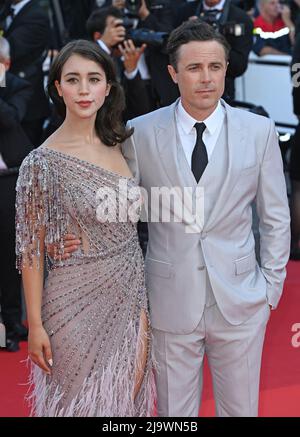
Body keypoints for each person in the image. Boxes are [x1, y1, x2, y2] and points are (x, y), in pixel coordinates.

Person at [58, 20, 290, 417]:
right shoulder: (141, 132)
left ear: (225, 69)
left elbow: (274, 217)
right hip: (168, 299)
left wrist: (270, 288)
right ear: (173, 73)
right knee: (173, 415)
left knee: (241, 411)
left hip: (240, 300)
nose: (206, 79)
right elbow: (119, 209)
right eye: (195, 68)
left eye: (215, 67)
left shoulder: (259, 131)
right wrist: (79, 235)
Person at [15, 39, 155, 417]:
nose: (83, 89)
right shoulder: (40, 162)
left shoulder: (122, 143)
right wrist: (35, 326)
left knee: (126, 404)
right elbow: (29, 249)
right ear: (58, 87)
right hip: (72, 300)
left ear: (107, 87)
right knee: (80, 404)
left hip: (130, 292)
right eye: (72, 79)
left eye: (93, 79)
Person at [0, 36, 32, 352]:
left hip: (7, 181)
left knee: (8, 254)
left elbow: (10, 119)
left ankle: (10, 324)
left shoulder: (18, 86)